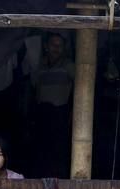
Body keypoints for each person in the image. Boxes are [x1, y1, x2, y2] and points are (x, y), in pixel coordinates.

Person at [31, 32, 75, 178]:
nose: (56, 48)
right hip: (42, 112)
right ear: (46, 47)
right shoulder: (40, 65)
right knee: (41, 150)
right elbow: (33, 88)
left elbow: (81, 85)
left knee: (58, 151)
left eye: (59, 45)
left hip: (59, 113)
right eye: (53, 45)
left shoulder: (68, 65)